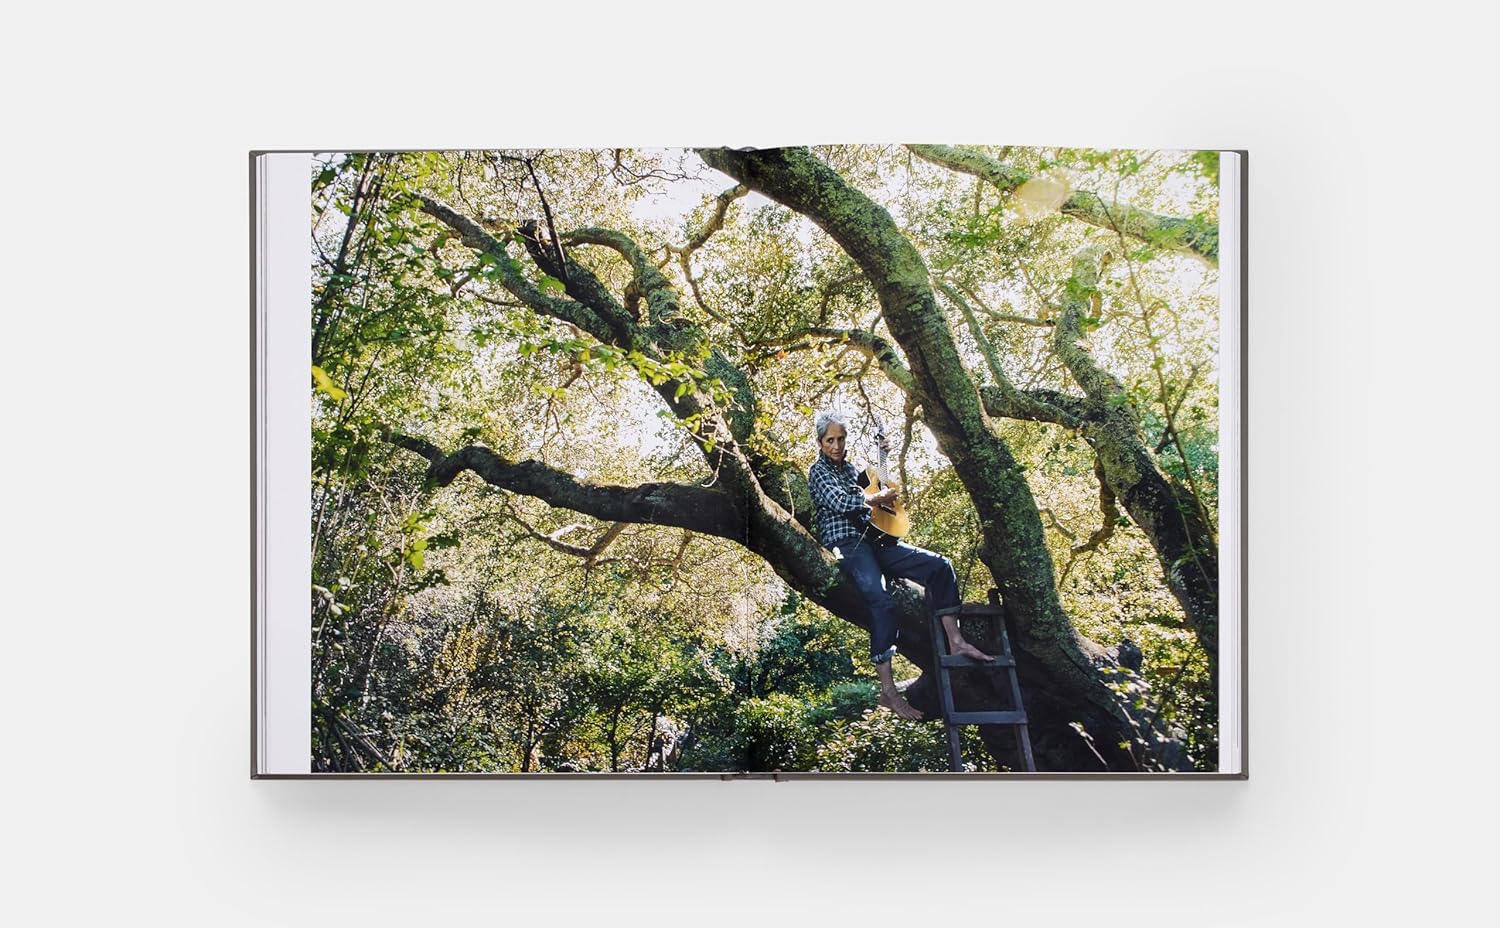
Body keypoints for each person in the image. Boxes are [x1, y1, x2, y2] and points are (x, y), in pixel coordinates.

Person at [807, 410, 993, 721]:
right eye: (830, 441)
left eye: (840, 439)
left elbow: (877, 486)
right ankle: (889, 691)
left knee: (939, 566)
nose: (836, 445)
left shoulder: (853, 469)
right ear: (820, 442)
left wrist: (883, 457)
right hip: (848, 543)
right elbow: (842, 502)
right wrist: (877, 497)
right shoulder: (818, 472)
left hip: (876, 540)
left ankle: (956, 641)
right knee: (881, 600)